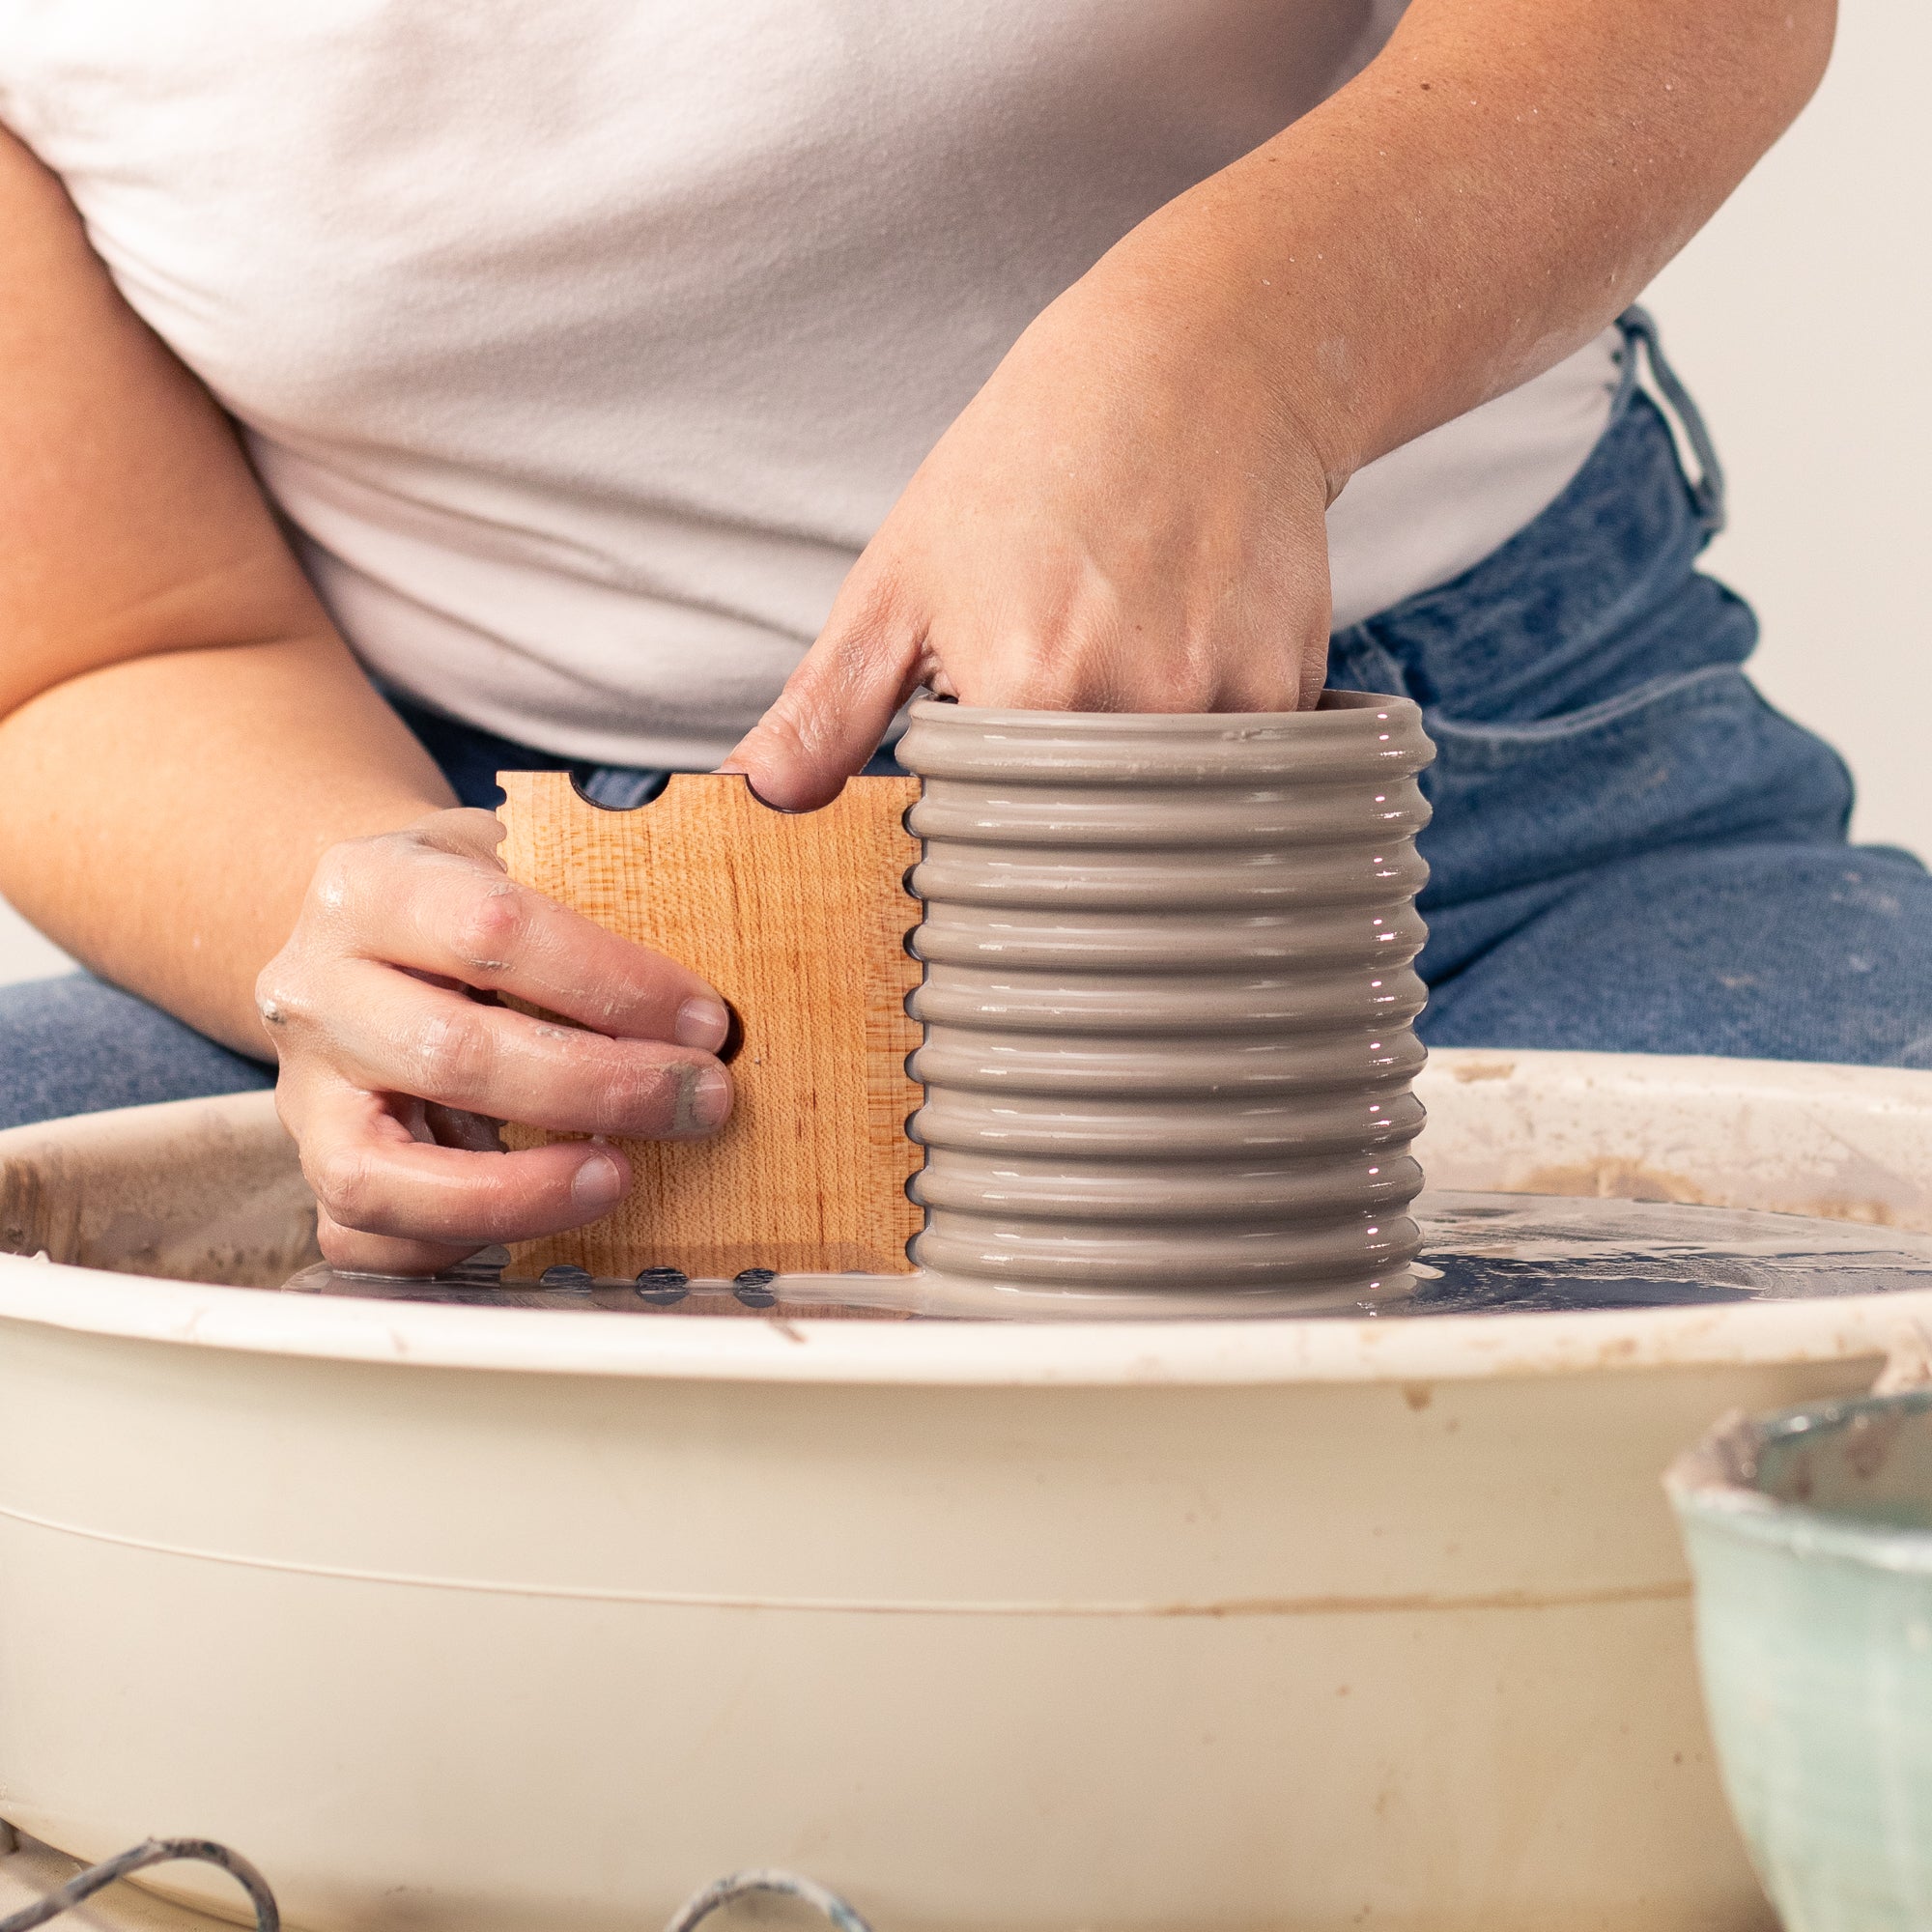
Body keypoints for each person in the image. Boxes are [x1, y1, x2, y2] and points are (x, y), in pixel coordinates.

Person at [2, 0, 1926, 1276]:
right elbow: (105, 642)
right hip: (515, 924)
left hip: (1458, 835)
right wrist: (380, 956)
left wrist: (1233, 356)